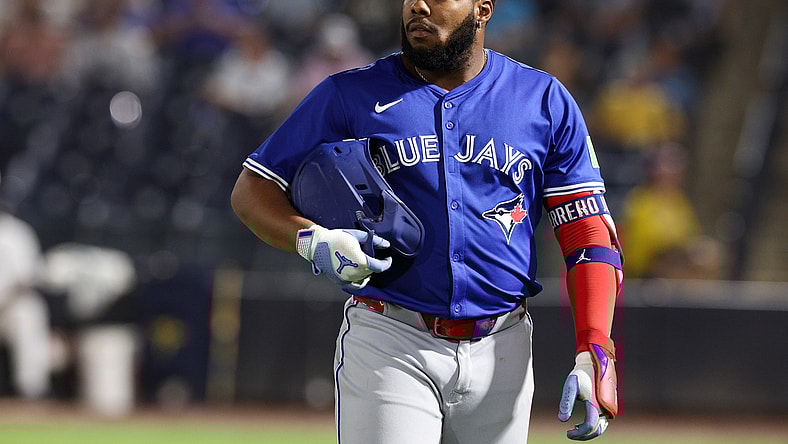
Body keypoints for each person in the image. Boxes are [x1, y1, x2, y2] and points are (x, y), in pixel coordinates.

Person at [231, 1, 622, 442]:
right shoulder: (349, 93)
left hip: (504, 346)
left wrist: (594, 347)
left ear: (482, 9)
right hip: (390, 336)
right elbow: (252, 191)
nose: (418, 4)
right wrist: (311, 240)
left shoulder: (542, 99)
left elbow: (587, 233)